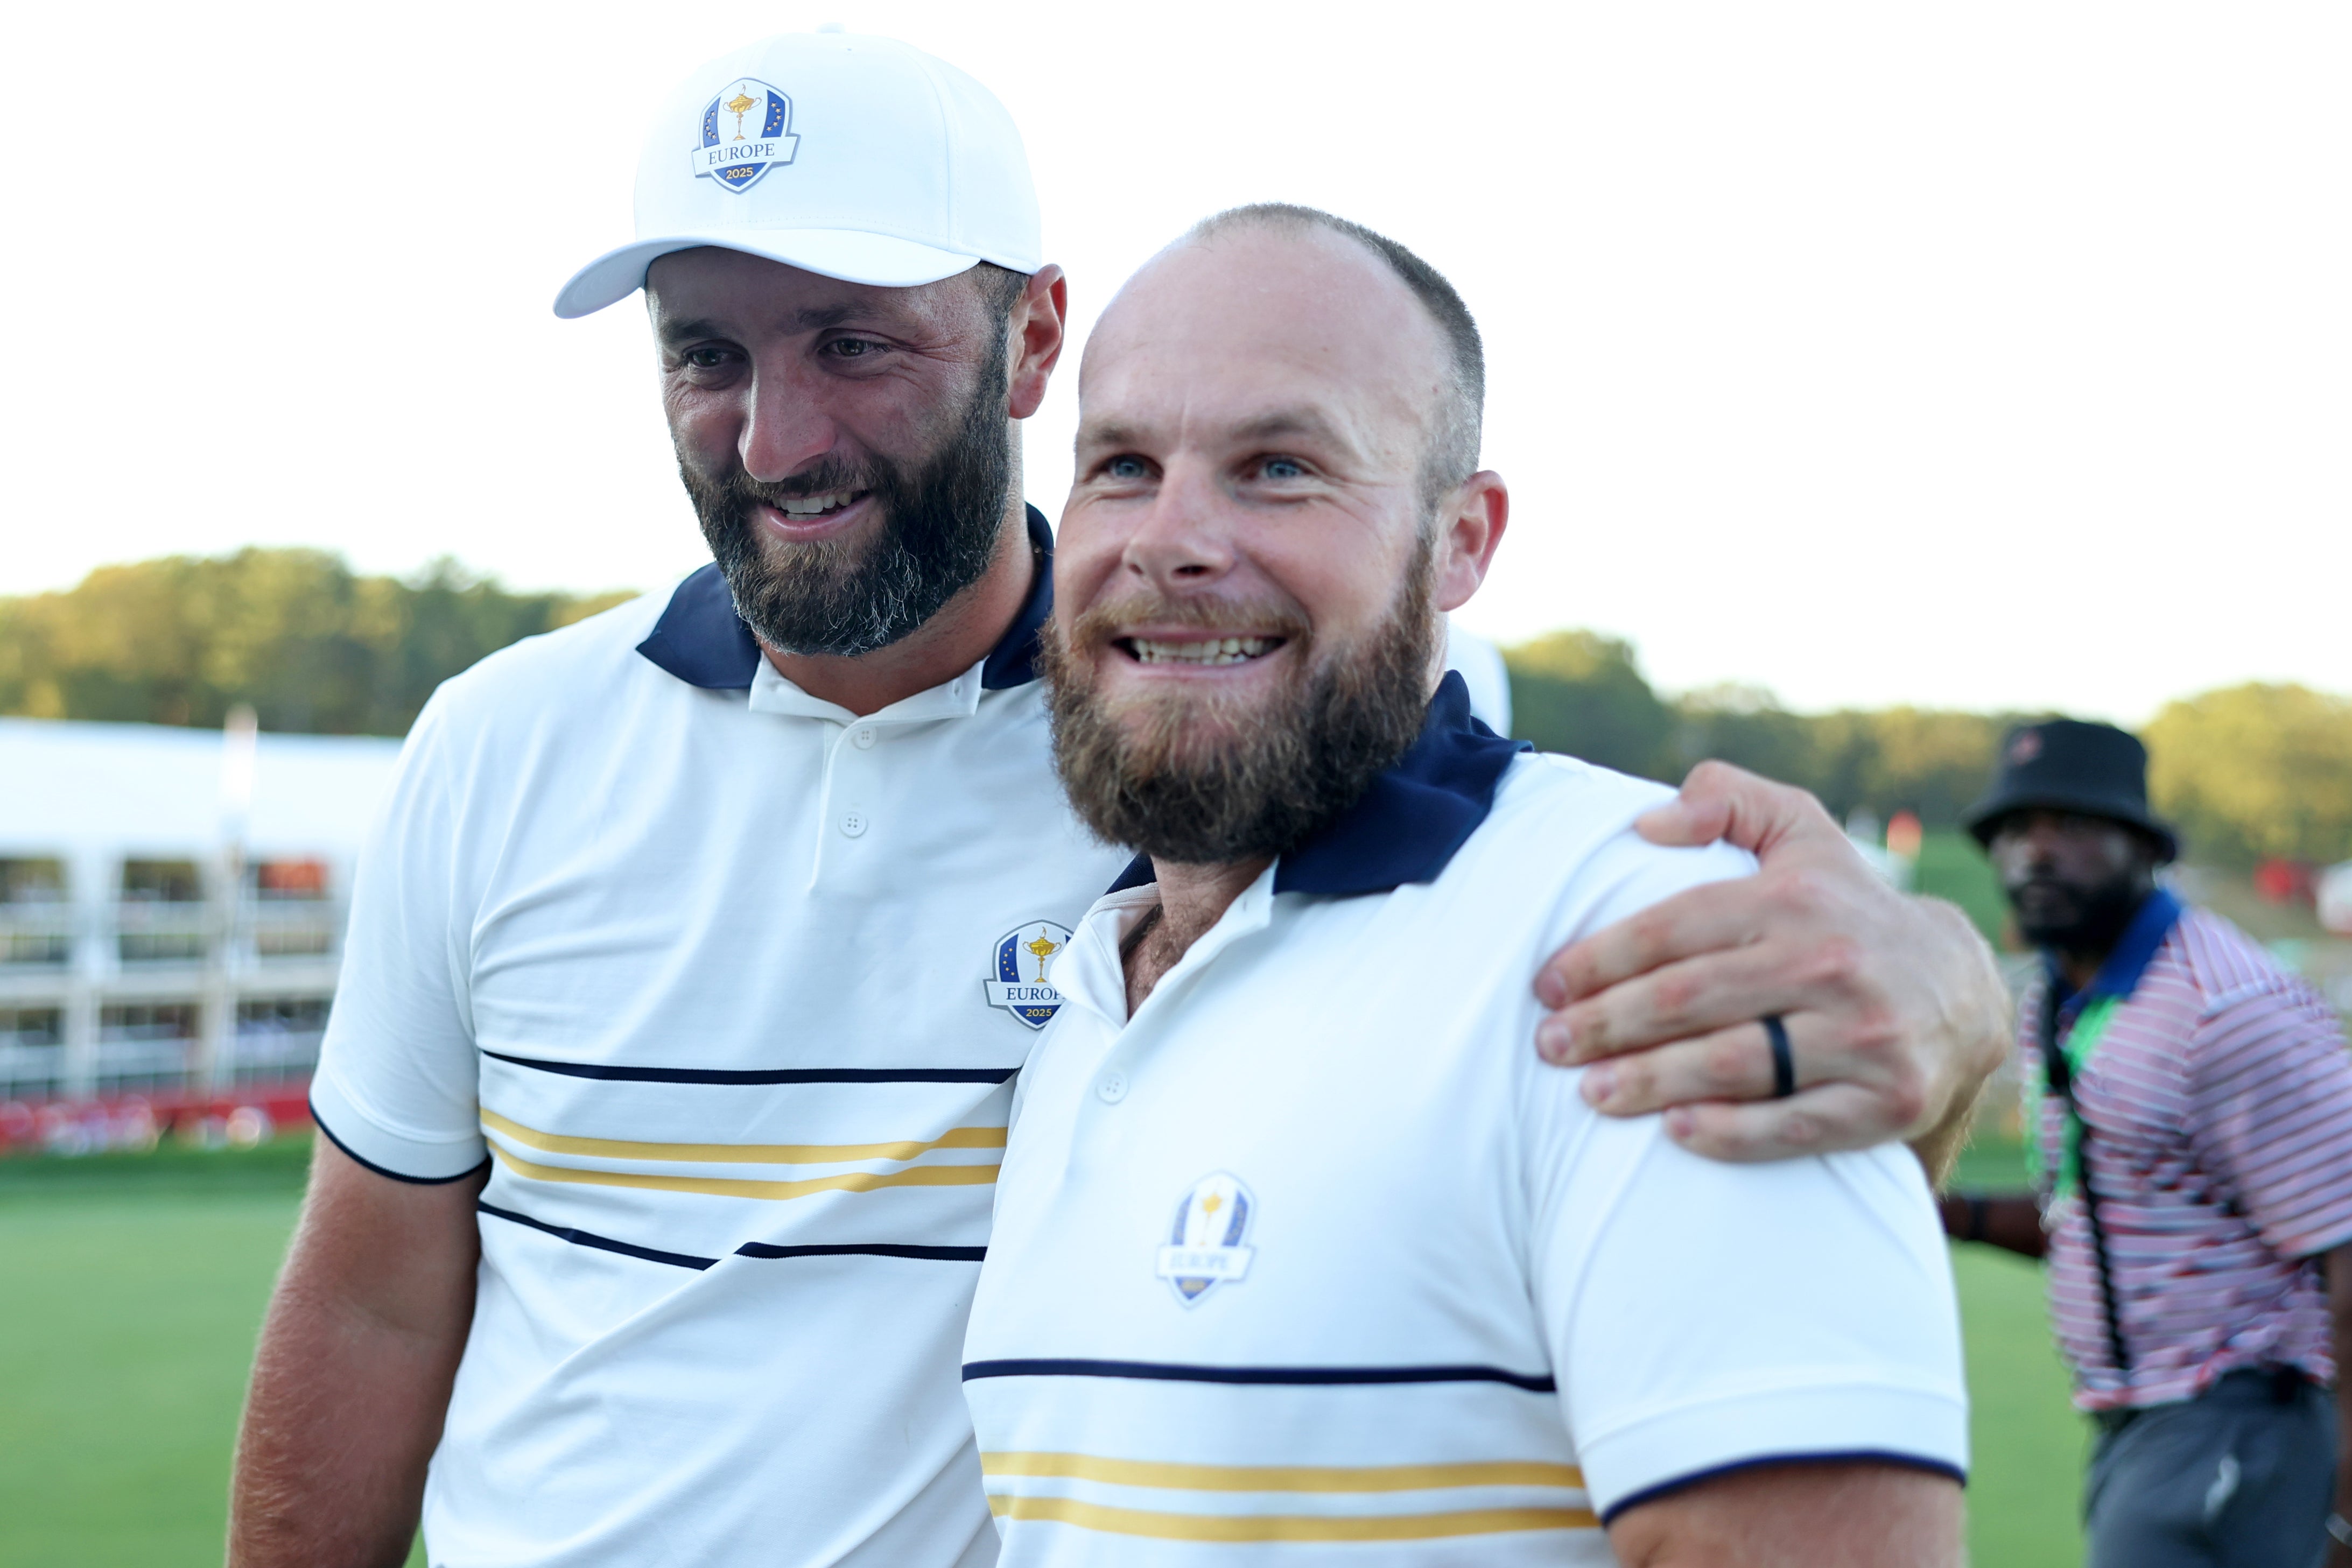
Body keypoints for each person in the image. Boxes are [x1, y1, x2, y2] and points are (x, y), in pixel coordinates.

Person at [227, 31, 2010, 1568]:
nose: (776, 436)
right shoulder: (497, 743)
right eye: (709, 354)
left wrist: (1952, 986)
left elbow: (1560, 926)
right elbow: (373, 1296)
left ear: (1027, 343)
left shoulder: (1243, 737)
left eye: (854, 342)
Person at [964, 203, 1968, 1565]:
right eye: (1123, 463)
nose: (1172, 537)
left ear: (1461, 539)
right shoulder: (1085, 999)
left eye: (1278, 466)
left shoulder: (1647, 936)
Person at [1937, 719, 2352, 1568]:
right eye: (2016, 830)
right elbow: (2105, 1211)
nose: (2036, 854)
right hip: (2140, 1423)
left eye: (2073, 827)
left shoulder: (2223, 1007)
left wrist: (2346, 1512)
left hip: (2237, 1423)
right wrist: (1932, 1205)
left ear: (2141, 846)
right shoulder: (2063, 997)